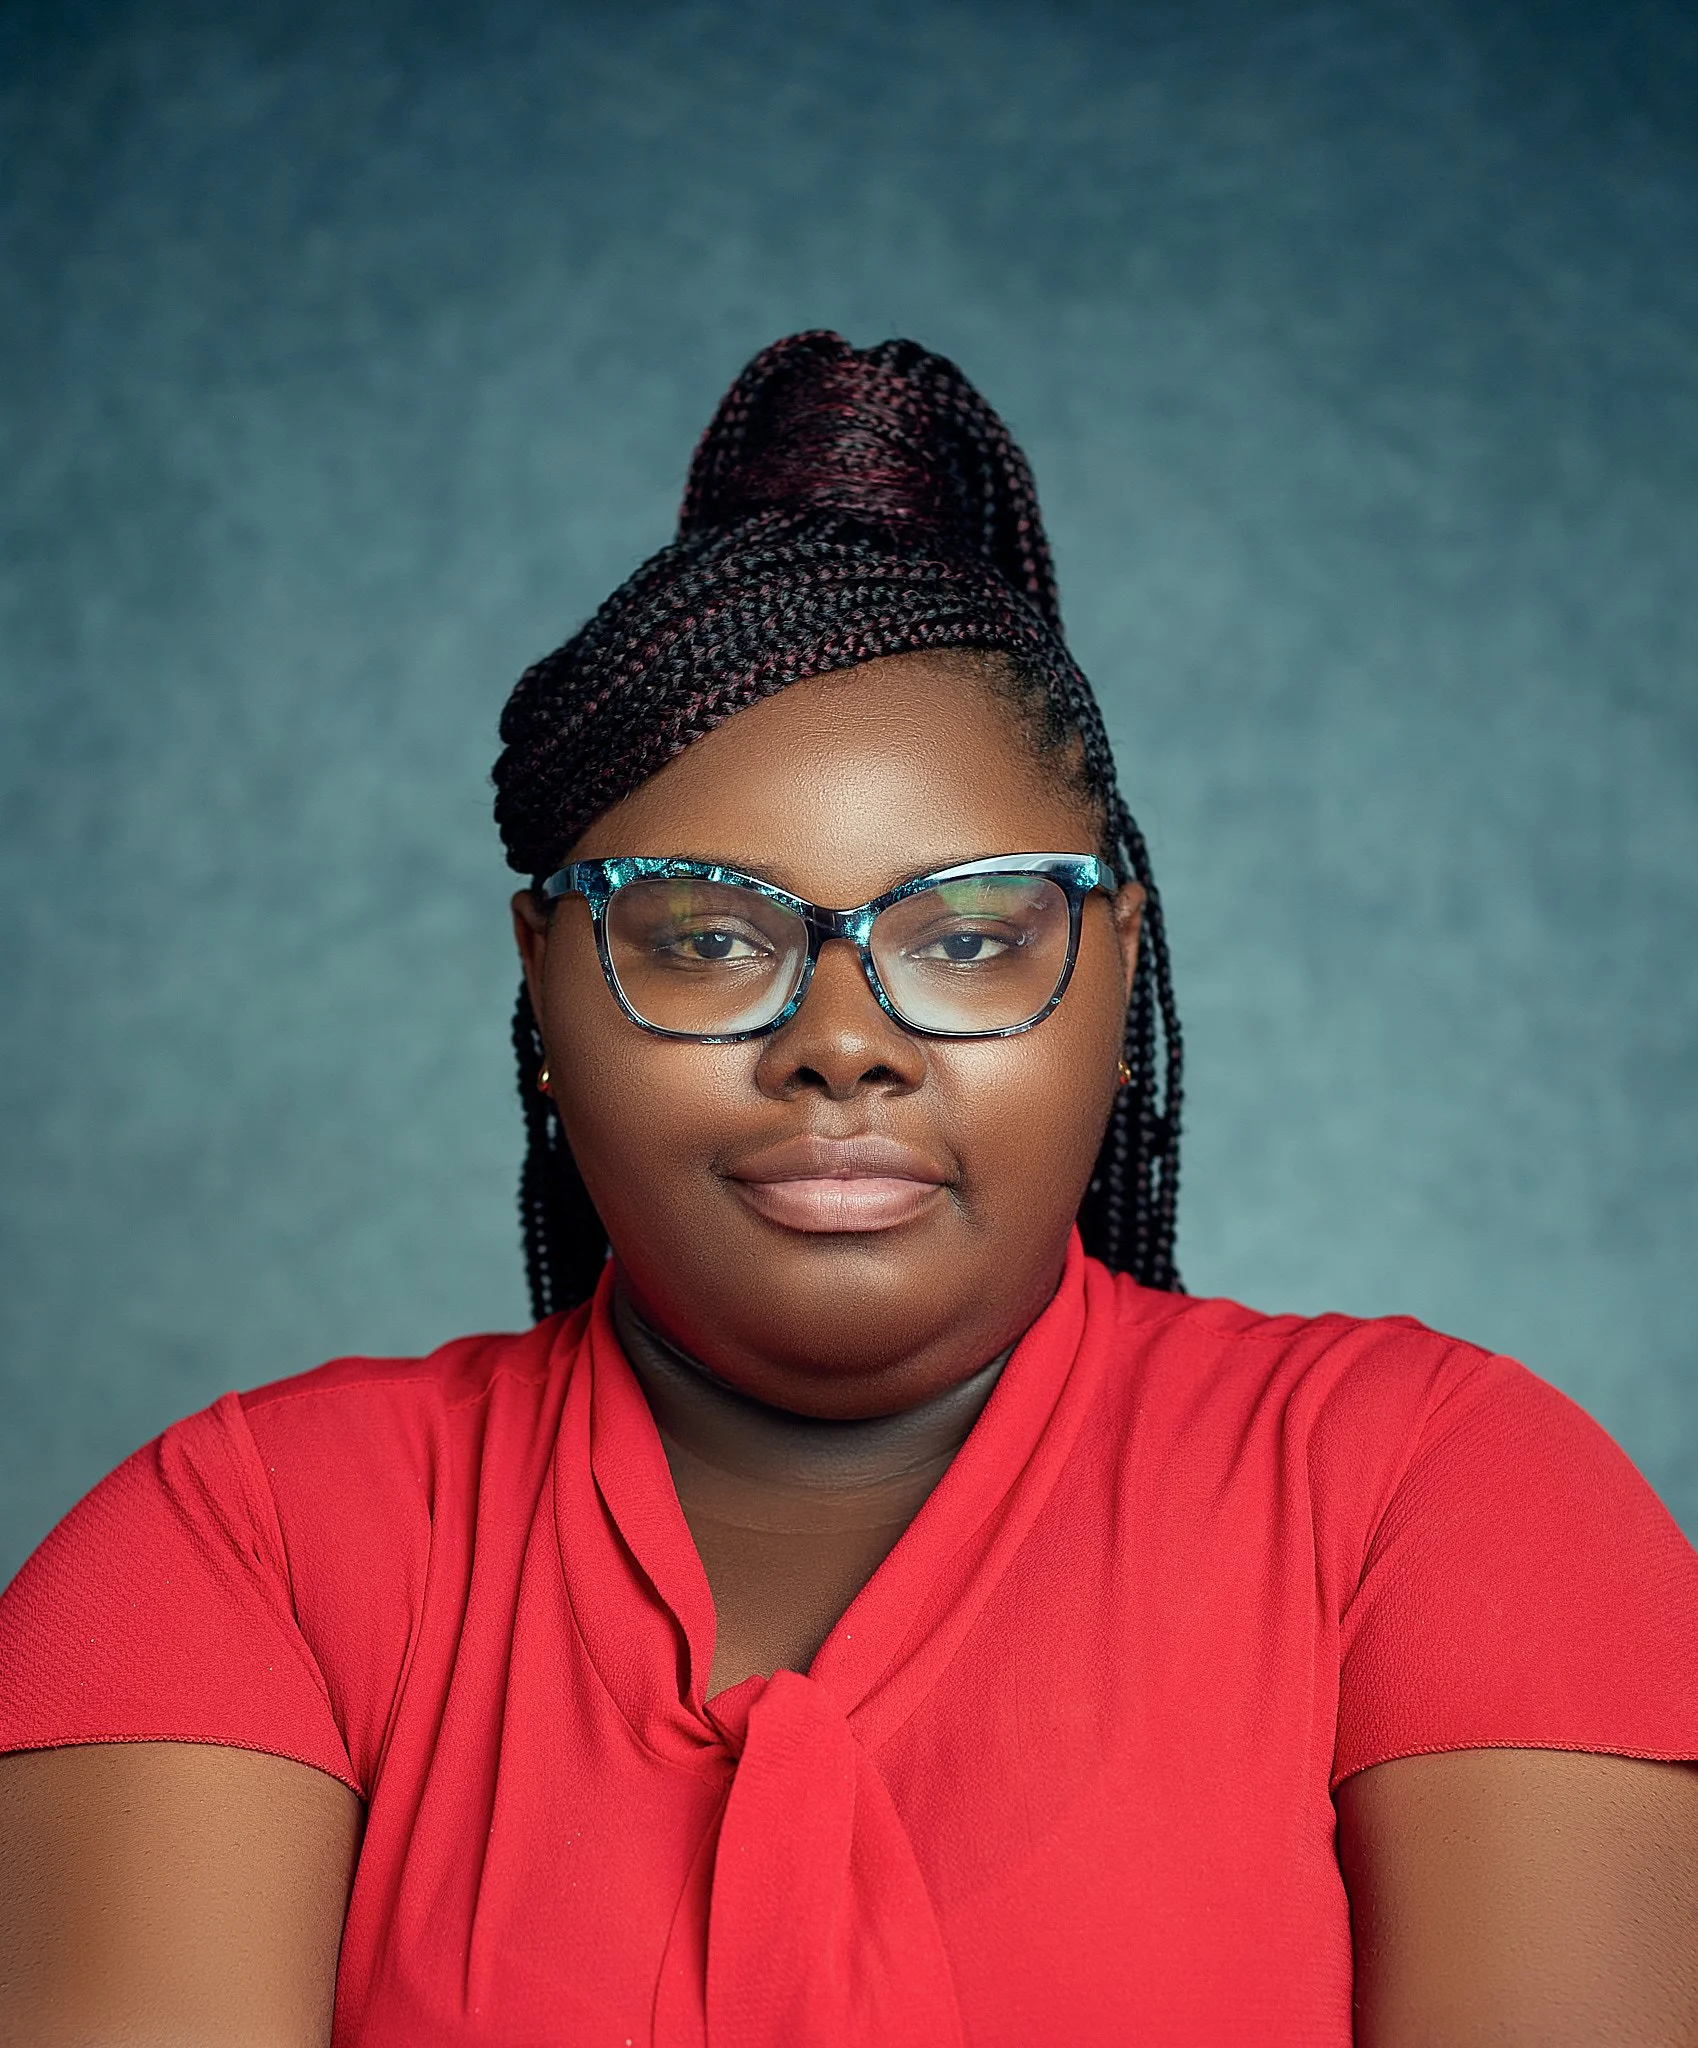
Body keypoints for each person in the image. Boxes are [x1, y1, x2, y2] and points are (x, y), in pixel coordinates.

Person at [2, 333, 1696, 2048]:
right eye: (709, 937)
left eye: (966, 939)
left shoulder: (1443, 1498)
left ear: (1115, 978)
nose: (840, 1044)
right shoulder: (240, 1549)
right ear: (545, 988)